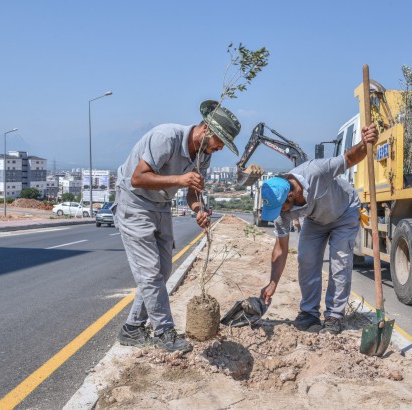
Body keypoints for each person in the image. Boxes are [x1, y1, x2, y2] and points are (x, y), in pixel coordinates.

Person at [114, 100, 241, 352]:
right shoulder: (166, 137)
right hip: (135, 201)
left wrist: (198, 210)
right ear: (206, 130)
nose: (220, 149)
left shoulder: (203, 156)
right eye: (220, 142)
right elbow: (138, 178)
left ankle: (132, 328)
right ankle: (164, 332)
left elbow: (192, 194)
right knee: (149, 272)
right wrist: (180, 179)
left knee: (163, 270)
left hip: (161, 204)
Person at [259, 123, 378, 334]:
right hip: (316, 220)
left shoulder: (315, 171)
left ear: (290, 195)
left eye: (282, 208)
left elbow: (349, 159)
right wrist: (272, 283)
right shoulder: (282, 210)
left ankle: (334, 316)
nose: (281, 213)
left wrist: (365, 141)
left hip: (344, 212)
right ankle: (309, 312)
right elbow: (280, 249)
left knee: (339, 263)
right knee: (306, 259)